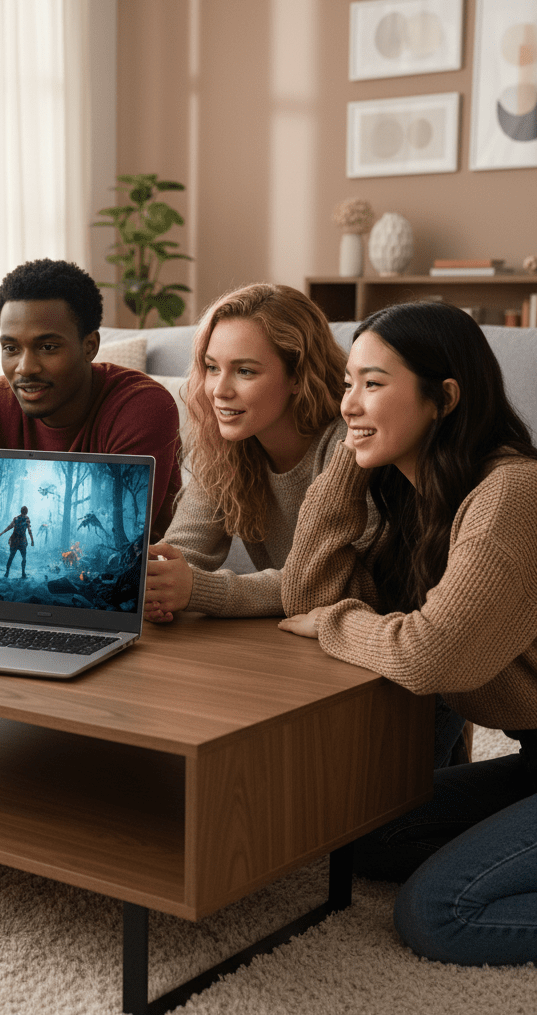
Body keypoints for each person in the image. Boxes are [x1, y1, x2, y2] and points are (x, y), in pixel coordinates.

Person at [279, 301, 537, 967]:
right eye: (347, 384)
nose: (348, 403)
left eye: (373, 384)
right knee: (359, 836)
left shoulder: (512, 491)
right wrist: (348, 460)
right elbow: (306, 597)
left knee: (440, 914)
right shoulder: (420, 496)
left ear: (444, 397)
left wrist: (335, 623)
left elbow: (429, 657)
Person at [144, 283, 353, 622]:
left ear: (299, 375)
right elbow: (184, 549)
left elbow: (330, 583)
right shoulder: (225, 443)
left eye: (244, 371)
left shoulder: (346, 445)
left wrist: (198, 590)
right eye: (212, 368)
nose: (219, 391)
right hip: (282, 636)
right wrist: (157, 582)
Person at [0, 258, 182, 540]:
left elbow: (119, 539)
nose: (25, 367)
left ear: (90, 347)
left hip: (137, 578)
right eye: (11, 348)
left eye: (48, 347)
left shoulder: (143, 407)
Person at [0, 505, 35, 578]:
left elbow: (10, 527)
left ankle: (7, 573)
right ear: (27, 512)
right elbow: (29, 530)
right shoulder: (25, 519)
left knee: (12, 556)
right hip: (20, 540)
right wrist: (32, 540)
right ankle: (22, 573)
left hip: (16, 540)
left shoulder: (17, 518)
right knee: (22, 558)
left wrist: (2, 533)